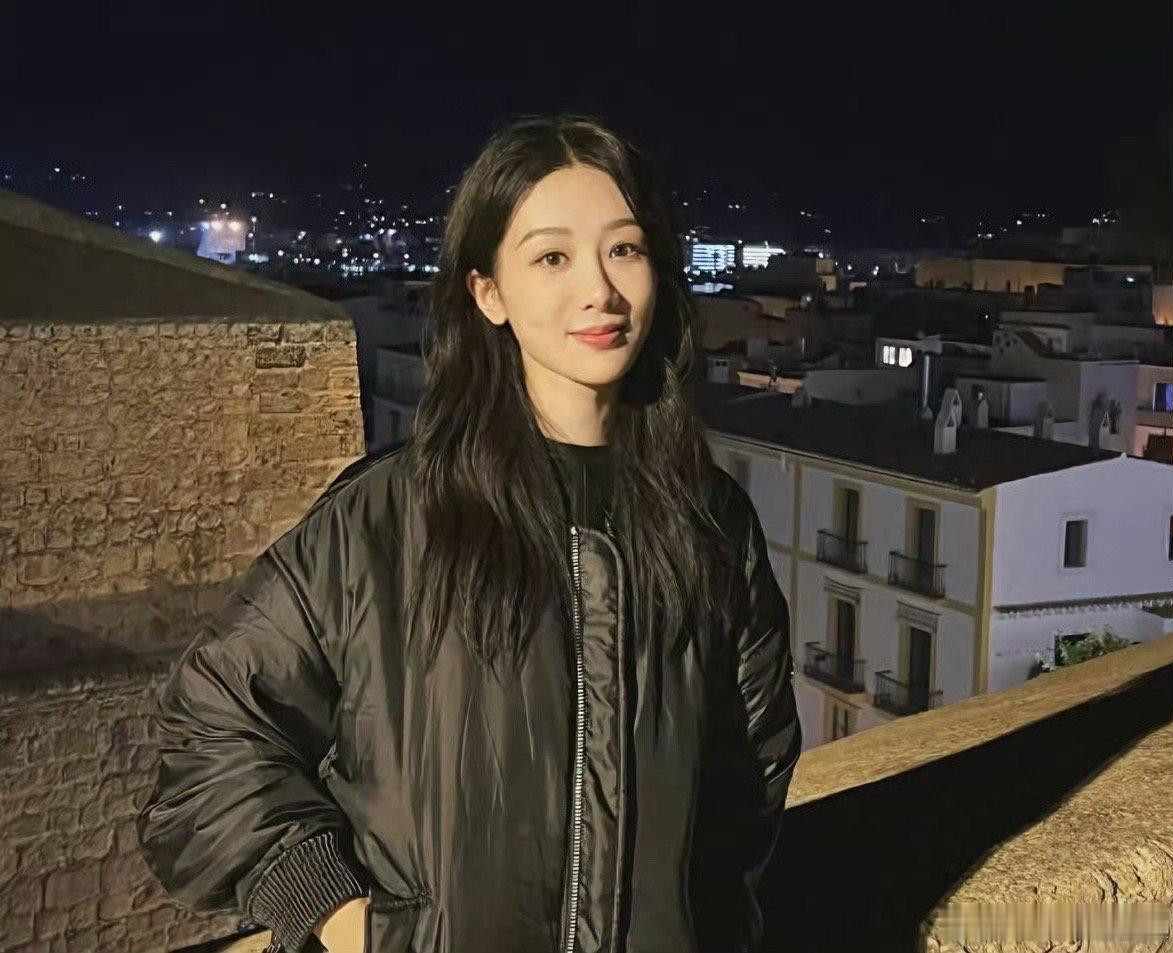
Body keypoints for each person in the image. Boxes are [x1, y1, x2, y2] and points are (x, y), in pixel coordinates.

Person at [137, 113, 802, 953]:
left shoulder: (708, 521)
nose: (598, 290)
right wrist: (347, 922)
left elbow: (748, 776)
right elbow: (208, 738)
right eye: (552, 257)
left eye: (624, 249)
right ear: (487, 292)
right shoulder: (386, 520)